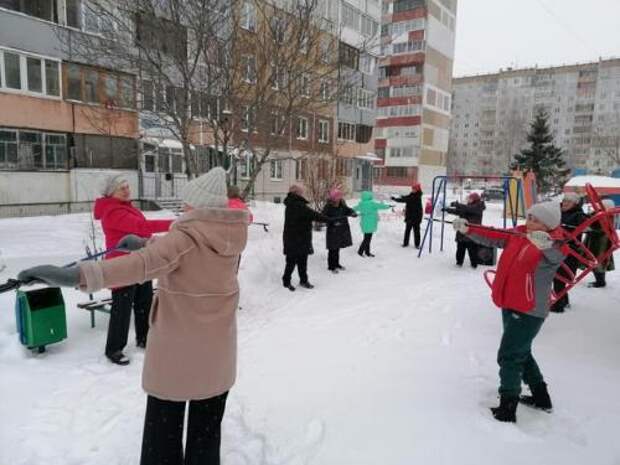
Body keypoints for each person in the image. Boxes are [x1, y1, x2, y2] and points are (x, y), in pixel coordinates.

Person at [18, 167, 249, 465]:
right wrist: (145, 243)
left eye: (187, 203)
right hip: (217, 355)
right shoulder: (230, 235)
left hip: (178, 356)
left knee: (162, 437)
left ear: (197, 205)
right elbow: (187, 259)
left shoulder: (187, 236)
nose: (184, 207)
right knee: (205, 437)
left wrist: (74, 275)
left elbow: (140, 266)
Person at [453, 201, 568, 423]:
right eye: (529, 216)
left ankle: (508, 407)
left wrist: (546, 245)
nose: (530, 221)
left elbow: (559, 254)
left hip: (530, 309)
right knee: (521, 351)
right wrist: (468, 229)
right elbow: (493, 236)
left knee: (509, 355)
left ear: (549, 224)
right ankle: (541, 397)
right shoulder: (519, 234)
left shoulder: (554, 243)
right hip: (510, 302)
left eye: (536, 219)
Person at [94, 174, 173, 365]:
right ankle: (114, 349)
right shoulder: (113, 212)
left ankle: (144, 338)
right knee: (121, 310)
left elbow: (142, 229)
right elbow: (142, 227)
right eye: (122, 188)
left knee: (143, 303)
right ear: (112, 193)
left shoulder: (125, 207)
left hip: (140, 262)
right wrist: (173, 224)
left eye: (127, 186)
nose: (127, 190)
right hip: (122, 268)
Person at [282, 184, 330, 291]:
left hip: (297, 237)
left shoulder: (292, 203)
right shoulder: (298, 205)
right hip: (297, 238)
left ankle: (302, 280)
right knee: (293, 261)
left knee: (300, 261)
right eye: (301, 192)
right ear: (297, 193)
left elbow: (310, 215)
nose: (302, 193)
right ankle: (287, 281)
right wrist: (329, 220)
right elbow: (314, 215)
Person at [550, 192, 588, 312]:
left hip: (570, 251)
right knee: (557, 277)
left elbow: (587, 224)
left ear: (575, 204)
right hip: (558, 248)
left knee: (560, 277)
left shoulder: (578, 215)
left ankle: (558, 305)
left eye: (569, 201)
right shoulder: (559, 211)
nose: (565, 203)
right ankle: (563, 301)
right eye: (565, 200)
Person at [443, 192, 486, 269]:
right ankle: (459, 262)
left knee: (472, 249)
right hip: (462, 230)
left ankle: (474, 264)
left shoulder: (478, 207)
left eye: (470, 198)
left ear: (474, 199)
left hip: (472, 232)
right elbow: (459, 211)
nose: (468, 199)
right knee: (460, 247)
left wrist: (457, 204)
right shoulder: (467, 206)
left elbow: (469, 209)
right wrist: (448, 210)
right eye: (468, 198)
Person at [322, 189, 357, 273]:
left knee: (337, 248)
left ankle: (336, 264)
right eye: (337, 197)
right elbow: (323, 217)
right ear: (333, 198)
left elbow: (348, 210)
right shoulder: (328, 206)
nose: (339, 199)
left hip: (341, 230)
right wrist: (333, 222)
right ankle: (331, 266)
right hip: (333, 230)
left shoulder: (342, 205)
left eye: (340, 197)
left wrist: (353, 212)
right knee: (332, 249)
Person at [585, 198, 616, 288]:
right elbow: (590, 218)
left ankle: (600, 282)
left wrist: (590, 230)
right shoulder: (599, 213)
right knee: (596, 261)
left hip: (601, 243)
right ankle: (600, 280)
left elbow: (603, 230)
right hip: (595, 241)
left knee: (599, 262)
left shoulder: (607, 216)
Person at [352, 191, 391, 257]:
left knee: (367, 238)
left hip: (365, 224)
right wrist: (388, 206)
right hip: (371, 224)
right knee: (367, 239)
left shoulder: (361, 204)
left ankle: (367, 252)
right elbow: (381, 206)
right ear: (369, 196)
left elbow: (353, 209)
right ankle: (360, 252)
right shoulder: (372, 204)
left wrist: (349, 212)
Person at [391, 183, 423, 248]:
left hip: (415, 217)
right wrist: (402, 196)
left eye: (414, 188)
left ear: (417, 189)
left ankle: (417, 245)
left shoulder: (416, 196)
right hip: (410, 216)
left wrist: (395, 199)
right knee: (407, 230)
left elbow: (406, 199)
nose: (413, 189)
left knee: (416, 232)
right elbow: (407, 197)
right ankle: (406, 243)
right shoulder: (413, 194)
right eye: (412, 188)